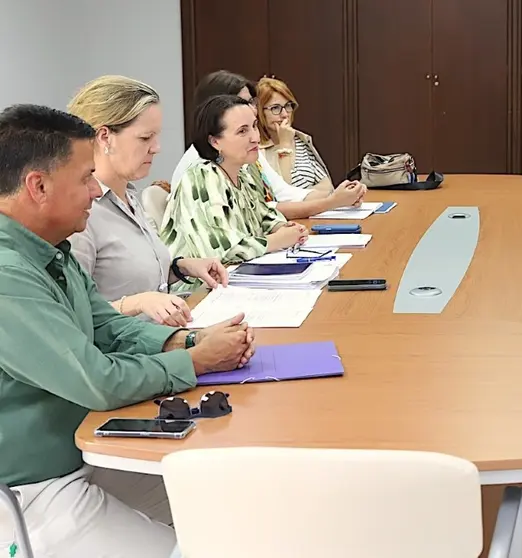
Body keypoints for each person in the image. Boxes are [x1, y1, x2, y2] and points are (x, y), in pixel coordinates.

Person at [0, 103, 256, 557]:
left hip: (87, 451)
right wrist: (195, 360)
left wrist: (189, 340)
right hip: (32, 490)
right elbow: (96, 381)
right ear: (37, 186)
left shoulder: (48, 249)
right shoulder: (8, 274)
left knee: (229, 514)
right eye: (84, 178)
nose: (96, 191)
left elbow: (109, 326)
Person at [66, 75, 228, 327]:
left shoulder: (129, 194)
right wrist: (137, 303)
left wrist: (181, 267)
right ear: (104, 137)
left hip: (160, 336)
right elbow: (73, 314)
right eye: (145, 138)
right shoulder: (81, 213)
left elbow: (135, 275)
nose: (156, 148)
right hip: (125, 354)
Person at [171, 70, 366, 220]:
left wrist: (341, 197)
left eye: (251, 102)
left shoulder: (246, 153)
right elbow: (257, 217)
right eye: (242, 103)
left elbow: (282, 195)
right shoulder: (199, 167)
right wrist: (330, 203)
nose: (251, 110)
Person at [161, 95, 309, 264]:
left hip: (239, 275)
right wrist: (278, 240)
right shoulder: (201, 178)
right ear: (215, 141)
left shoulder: (244, 172)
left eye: (254, 126)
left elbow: (264, 215)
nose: (255, 137)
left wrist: (284, 228)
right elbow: (222, 250)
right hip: (200, 286)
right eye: (242, 131)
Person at [256, 76, 332, 190]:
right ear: (260, 111)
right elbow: (282, 192)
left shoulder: (299, 139)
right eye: (275, 108)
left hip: (317, 207)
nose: (285, 114)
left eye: (288, 106)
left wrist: (303, 197)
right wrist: (285, 144)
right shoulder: (257, 151)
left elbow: (327, 186)